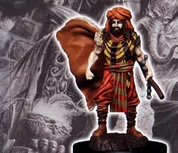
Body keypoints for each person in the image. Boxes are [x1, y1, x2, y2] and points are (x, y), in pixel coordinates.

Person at [56, 7, 153, 139]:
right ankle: (102, 127)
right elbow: (95, 53)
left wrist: (149, 71)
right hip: (110, 74)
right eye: (114, 22)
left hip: (126, 74)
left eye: (119, 22)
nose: (116, 25)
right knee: (102, 99)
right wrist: (88, 69)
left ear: (125, 23)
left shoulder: (132, 38)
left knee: (131, 101)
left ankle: (131, 128)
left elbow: (140, 56)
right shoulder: (104, 37)